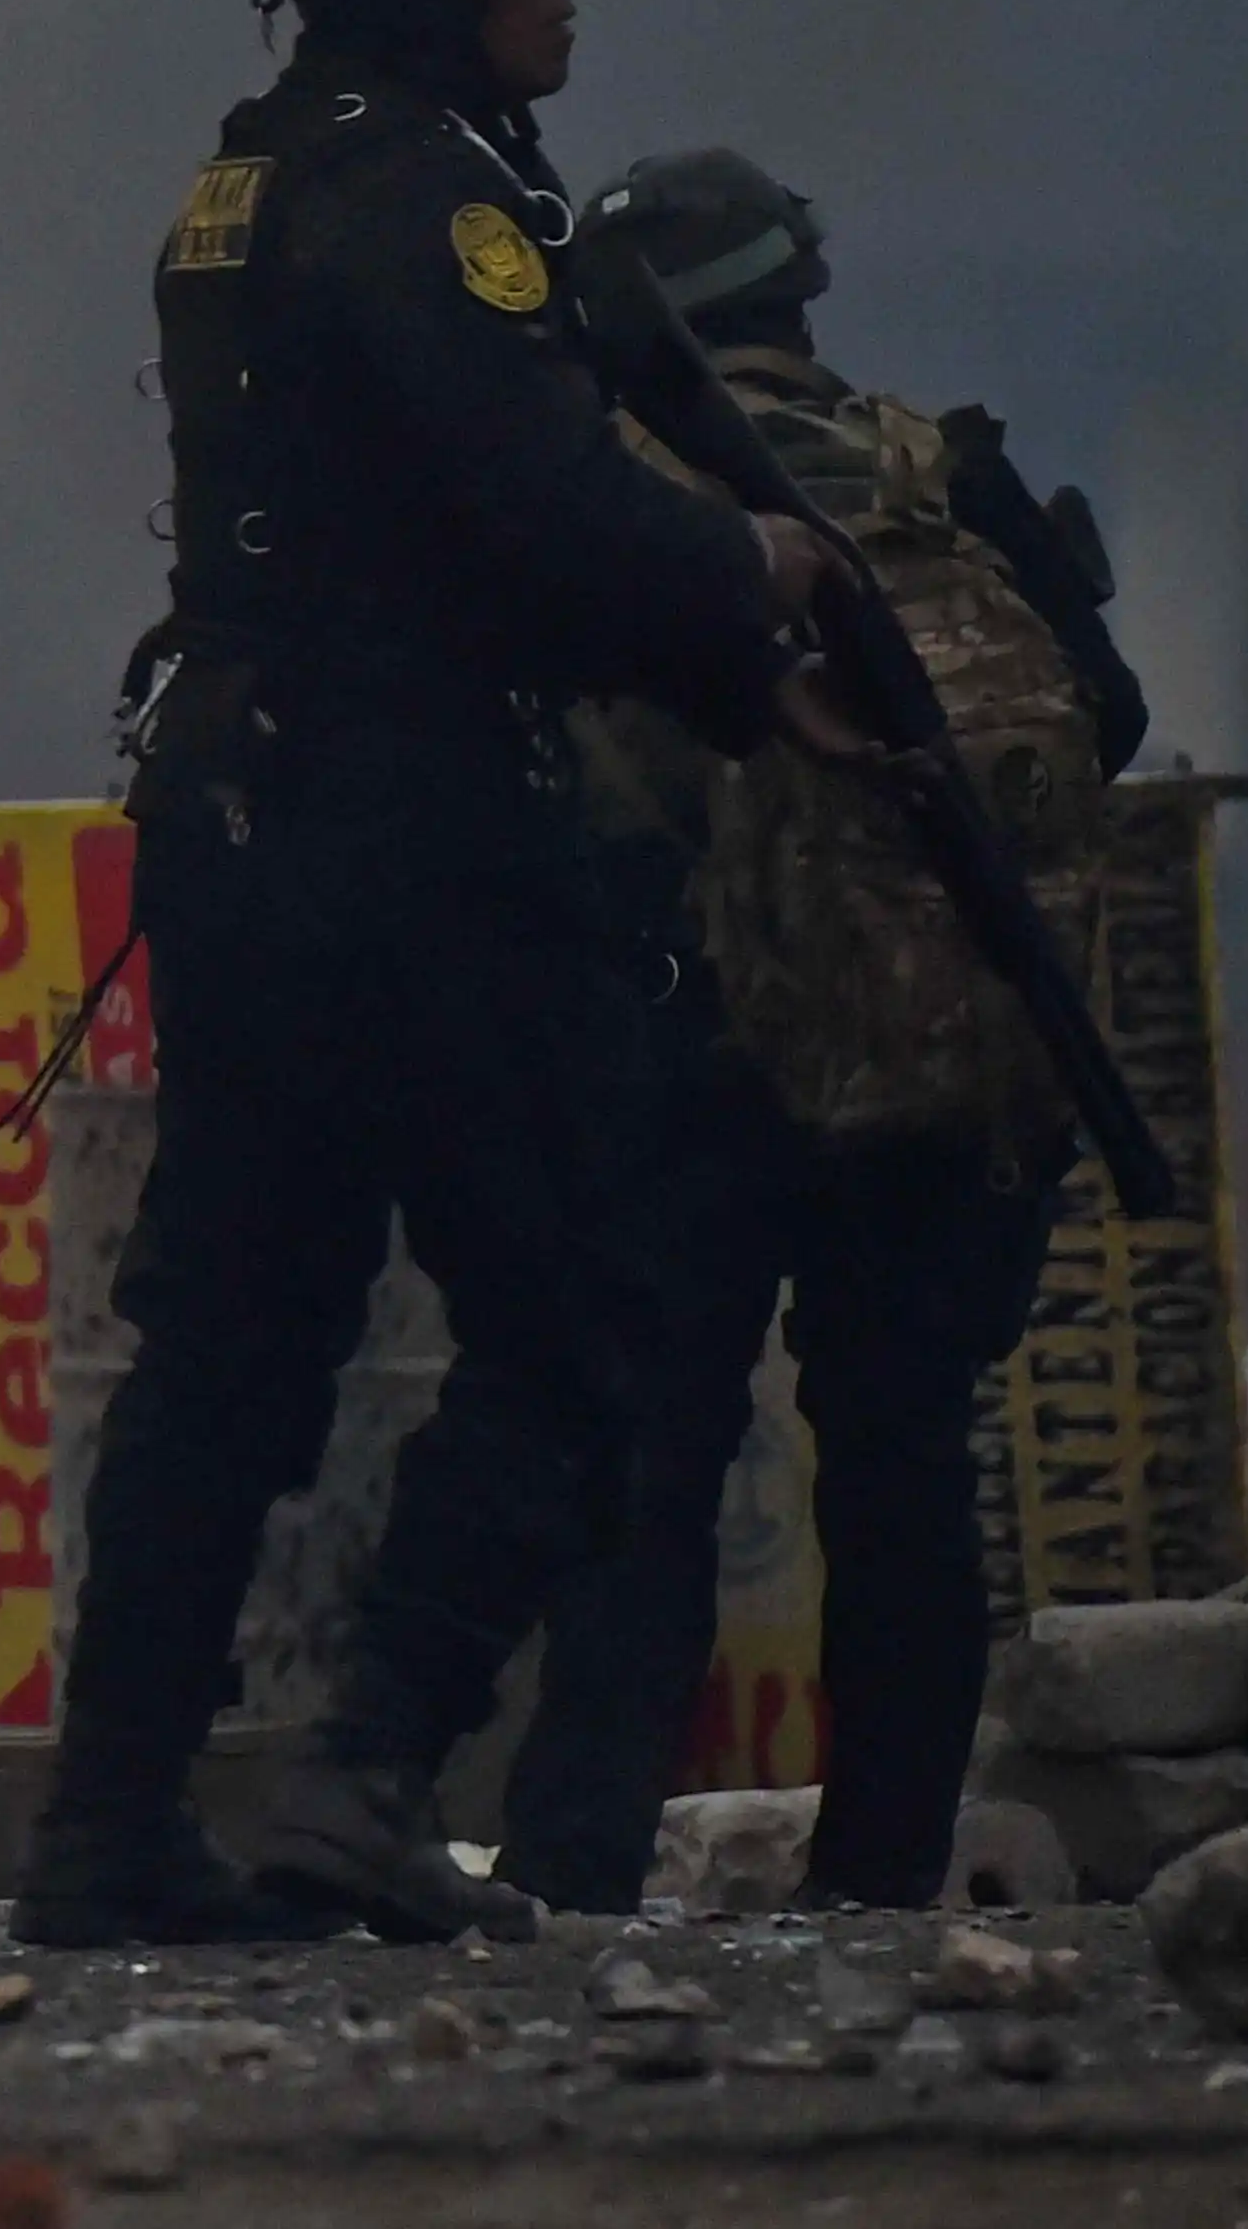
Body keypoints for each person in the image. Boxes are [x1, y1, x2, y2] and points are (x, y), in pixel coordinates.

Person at [25, 0, 862, 1947]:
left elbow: (423, 525)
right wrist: (747, 581)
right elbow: (534, 500)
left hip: (254, 815)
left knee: (237, 1336)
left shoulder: (262, 173)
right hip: (413, 836)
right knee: (581, 1323)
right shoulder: (433, 200)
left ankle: (108, 1832)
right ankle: (374, 1771)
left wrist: (703, 656)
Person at [500, 149, 1145, 1914]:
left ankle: (573, 1869)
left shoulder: (621, 496)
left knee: (651, 1460)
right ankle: (880, 1878)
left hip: (694, 1046)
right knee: (903, 1462)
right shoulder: (944, 468)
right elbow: (1109, 710)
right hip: (944, 1041)